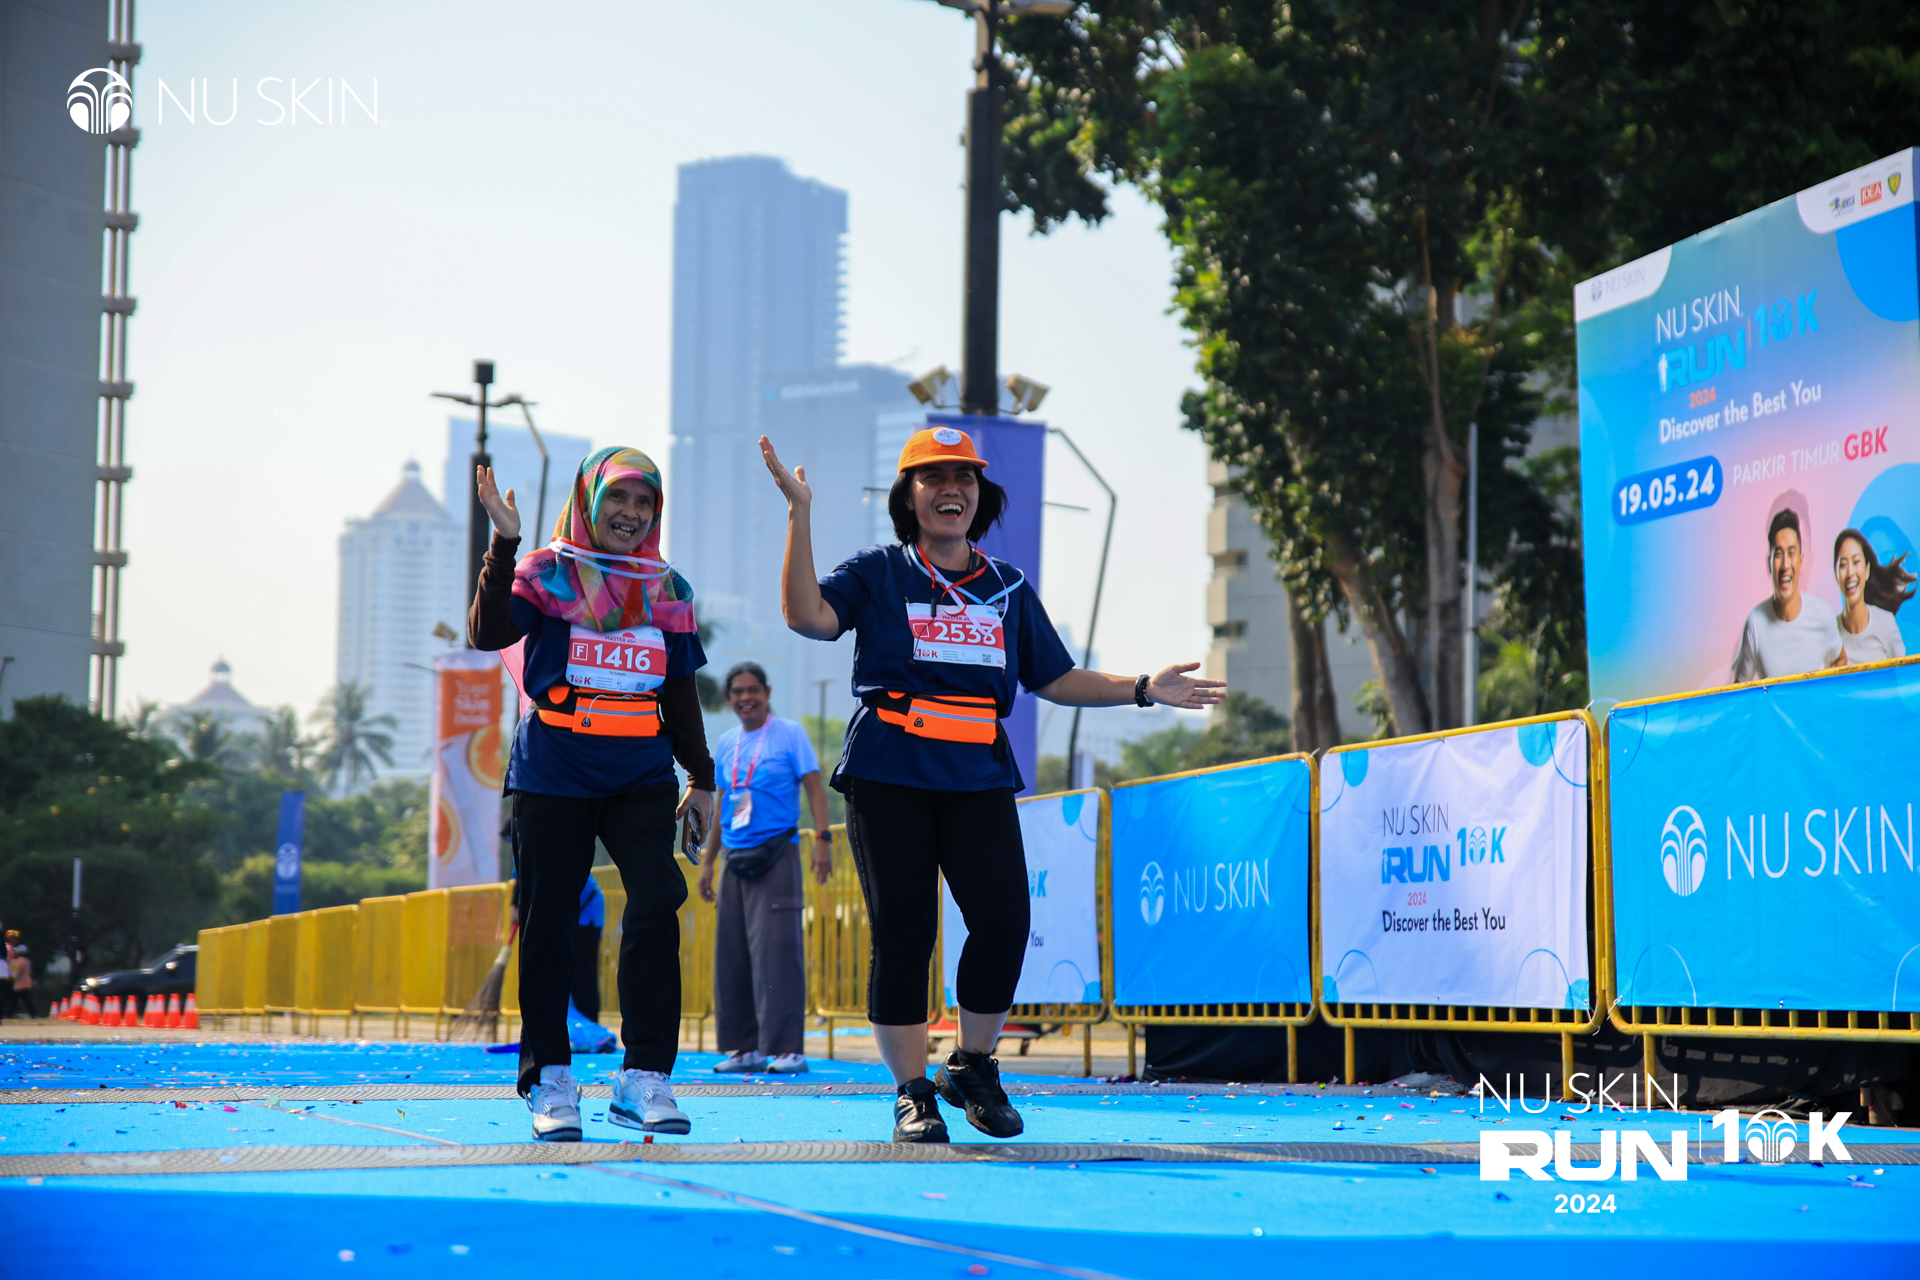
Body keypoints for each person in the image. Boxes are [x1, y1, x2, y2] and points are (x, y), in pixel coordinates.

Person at [760, 424, 1224, 1142]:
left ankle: (972, 1065)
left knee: (1005, 922)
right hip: (890, 770)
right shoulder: (880, 571)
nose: (952, 490)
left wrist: (1141, 687)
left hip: (977, 772)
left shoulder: (1007, 586)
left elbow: (1056, 677)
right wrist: (800, 512)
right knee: (905, 933)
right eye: (934, 477)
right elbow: (807, 616)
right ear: (908, 497)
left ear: (981, 496)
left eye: (965, 478)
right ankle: (912, 1092)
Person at [470, 447, 717, 1141]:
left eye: (645, 502)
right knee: (548, 920)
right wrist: (503, 545)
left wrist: (702, 778)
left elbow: (680, 692)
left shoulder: (668, 588)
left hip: (641, 772)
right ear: (588, 501)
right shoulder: (545, 572)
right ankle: (550, 1077)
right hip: (555, 768)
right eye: (619, 498)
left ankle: (645, 1077)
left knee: (659, 899)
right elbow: (488, 633)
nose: (631, 514)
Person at [697, 661, 835, 1075]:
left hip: (777, 852)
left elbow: (814, 787)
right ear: (729, 699)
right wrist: (708, 862)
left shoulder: (790, 734)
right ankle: (745, 1048)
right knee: (732, 953)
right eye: (737, 692)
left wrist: (823, 840)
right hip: (733, 856)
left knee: (778, 952)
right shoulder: (727, 742)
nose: (746, 698)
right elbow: (722, 803)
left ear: (767, 693)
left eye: (753, 689)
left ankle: (788, 1049)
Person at [1733, 507, 1841, 681]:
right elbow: (1739, 689)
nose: (1785, 565)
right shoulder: (1756, 623)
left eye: (1791, 553)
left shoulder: (1823, 615)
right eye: (1778, 554)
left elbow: (1840, 659)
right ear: (1769, 563)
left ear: (1801, 560)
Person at [1833, 527, 1913, 665]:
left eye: (1856, 562)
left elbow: (1901, 675)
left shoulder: (1887, 623)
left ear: (1867, 570)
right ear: (1836, 575)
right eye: (1843, 565)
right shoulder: (1830, 633)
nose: (1850, 573)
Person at [9, 945, 35, 1020]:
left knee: (15, 1000)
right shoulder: (27, 961)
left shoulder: (20, 961)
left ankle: (9, 1014)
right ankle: (32, 1013)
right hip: (27, 982)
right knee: (25, 1000)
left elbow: (16, 972)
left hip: (21, 983)